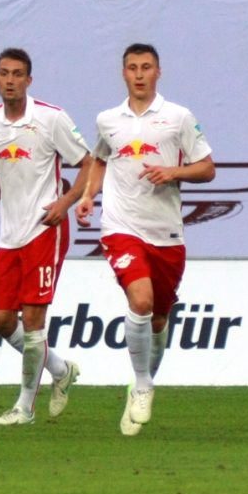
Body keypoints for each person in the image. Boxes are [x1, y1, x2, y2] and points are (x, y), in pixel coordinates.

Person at [74, 43, 215, 436]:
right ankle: (142, 384)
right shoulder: (108, 119)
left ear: (158, 72)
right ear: (123, 74)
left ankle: (141, 381)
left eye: (146, 67)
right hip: (121, 226)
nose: (139, 74)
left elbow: (207, 168)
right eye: (132, 68)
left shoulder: (178, 117)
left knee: (158, 318)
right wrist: (88, 196)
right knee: (140, 300)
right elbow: (100, 159)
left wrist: (173, 172)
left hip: (166, 234)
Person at [0, 47, 91, 426]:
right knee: (0, 320)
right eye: (4, 73)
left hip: (45, 230)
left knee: (33, 320)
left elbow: (89, 163)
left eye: (18, 74)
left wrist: (65, 202)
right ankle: (62, 370)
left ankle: (24, 408)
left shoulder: (51, 118)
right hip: (9, 235)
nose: (10, 80)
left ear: (29, 80)